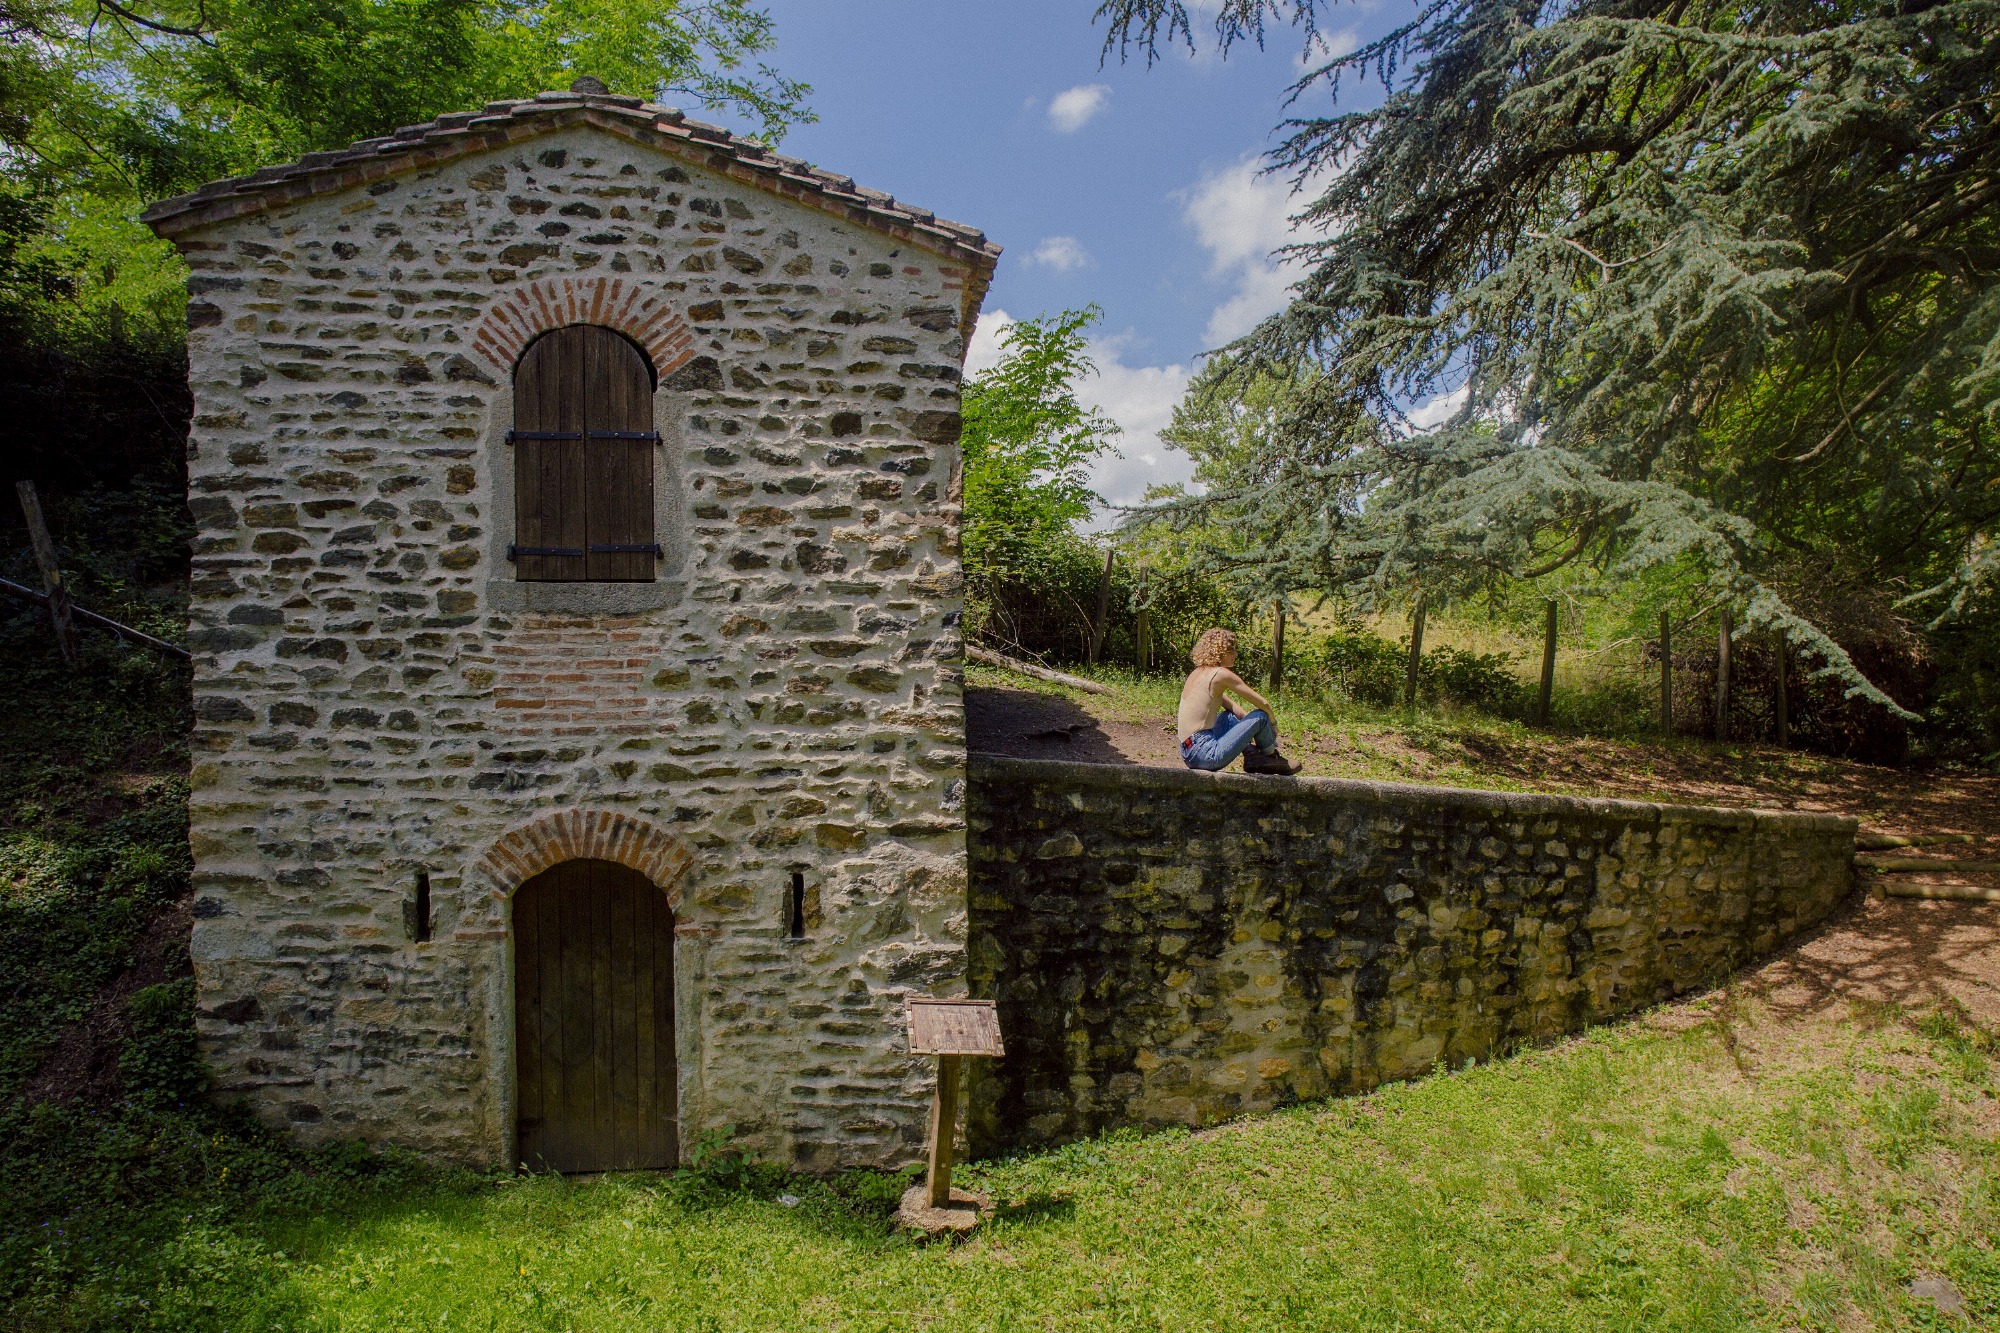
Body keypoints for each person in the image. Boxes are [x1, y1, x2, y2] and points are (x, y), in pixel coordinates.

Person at [1177, 628, 1301, 775]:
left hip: (1188, 751)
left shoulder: (1198, 673)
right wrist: (1272, 724)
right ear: (1219, 651)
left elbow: (1234, 708)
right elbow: (1263, 703)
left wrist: (1251, 730)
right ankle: (1271, 758)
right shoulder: (1220, 674)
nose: (1236, 654)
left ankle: (1253, 756)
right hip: (1206, 754)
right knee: (1261, 716)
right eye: (1232, 650)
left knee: (1230, 716)